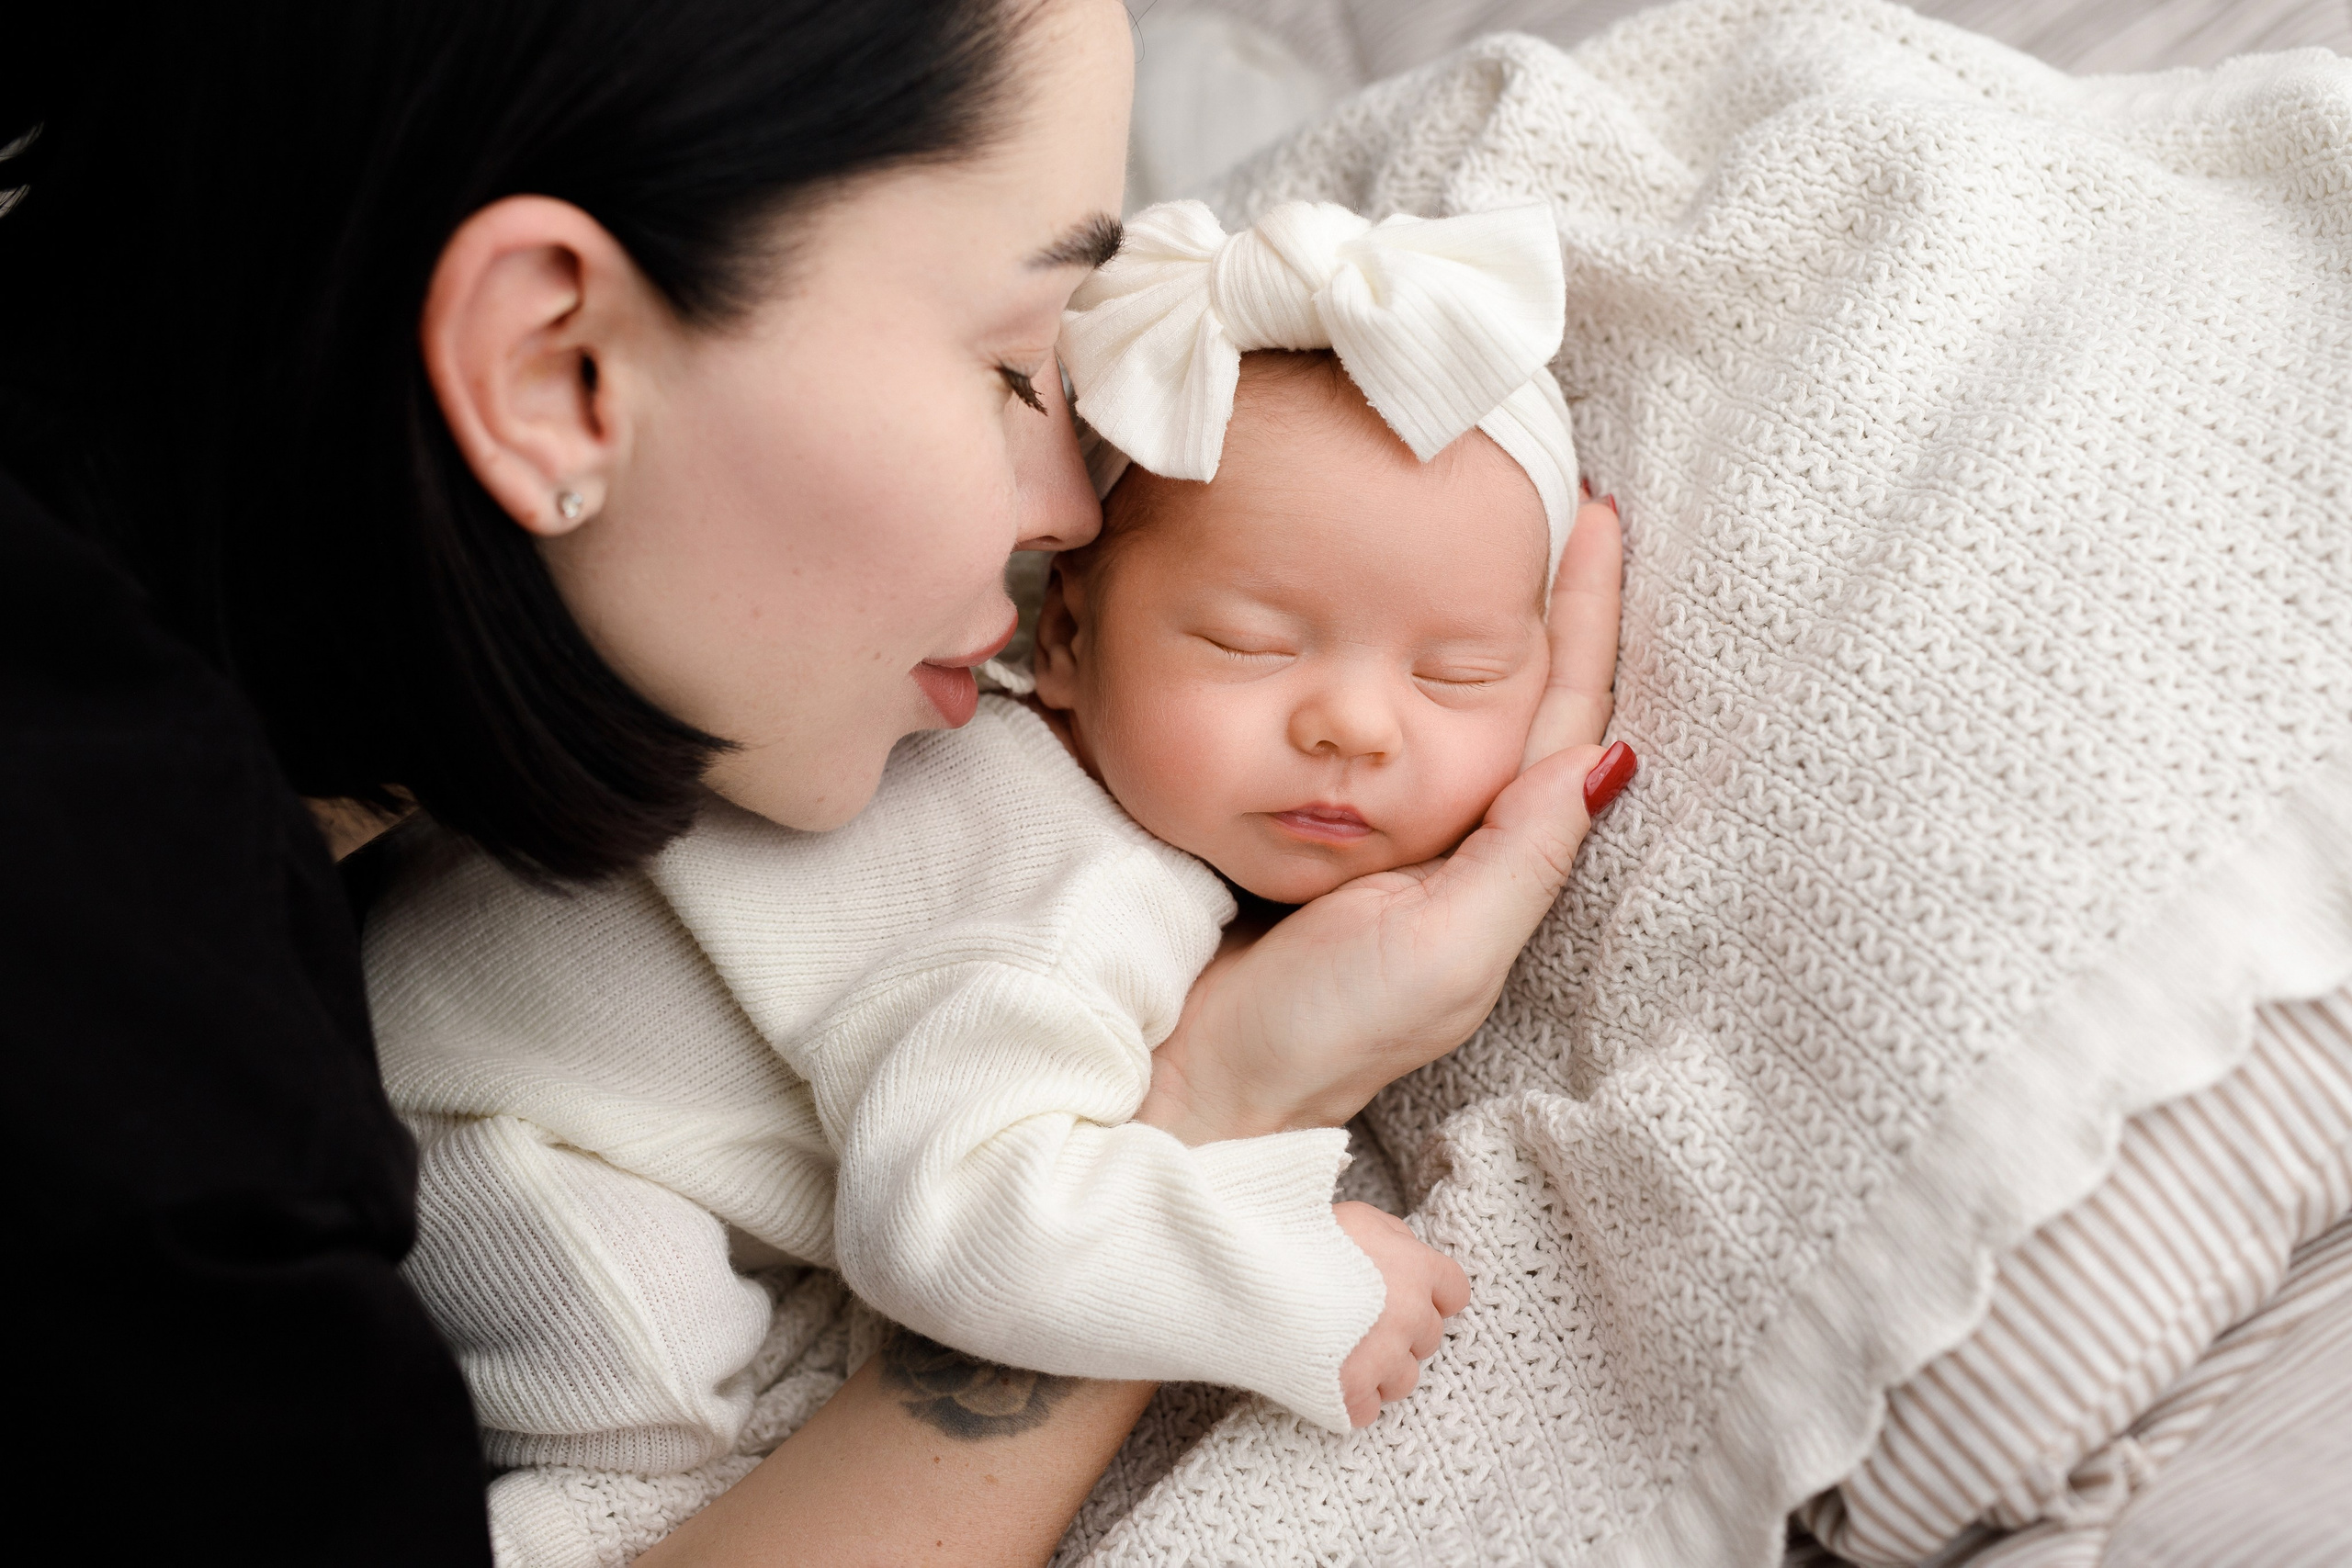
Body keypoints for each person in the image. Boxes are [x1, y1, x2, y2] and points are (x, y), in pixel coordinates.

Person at [0, 2, 1623, 1561]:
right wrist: (1230, 1122)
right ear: (556, 366)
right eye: (1011, 368)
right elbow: (966, 1210)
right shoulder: (138, 1096)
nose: (1077, 501)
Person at [357, 196, 1634, 1547]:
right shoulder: (1066, 901)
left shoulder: (1012, 763)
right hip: (492, 1131)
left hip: (448, 979)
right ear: (1065, 637)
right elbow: (954, 1228)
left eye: (1457, 674)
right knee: (653, 1419)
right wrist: (1283, 1279)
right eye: (1256, 645)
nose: (1355, 727)